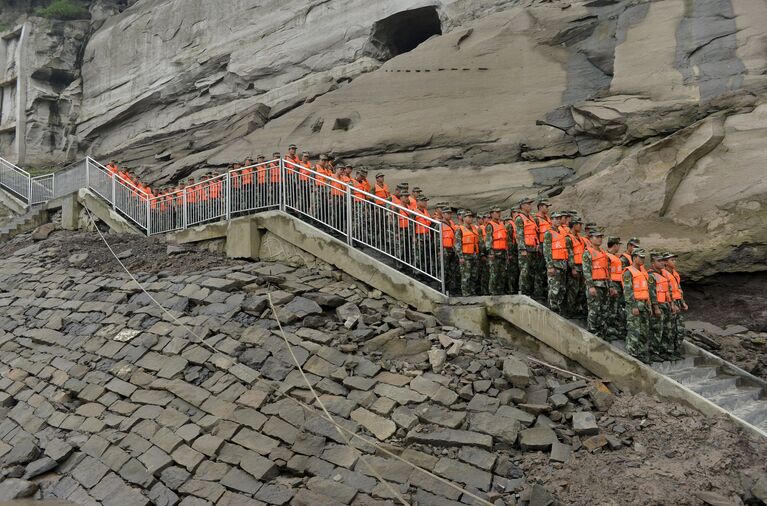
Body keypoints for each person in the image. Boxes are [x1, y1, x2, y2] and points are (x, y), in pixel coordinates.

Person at [623, 249, 651, 363]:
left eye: (644, 257)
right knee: (634, 330)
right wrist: (633, 306)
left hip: (644, 305)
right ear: (634, 258)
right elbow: (628, 291)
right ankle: (632, 355)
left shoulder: (642, 272)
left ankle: (641, 353)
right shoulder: (628, 272)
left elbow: (646, 290)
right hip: (635, 305)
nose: (643, 259)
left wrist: (648, 304)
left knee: (644, 331)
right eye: (640, 257)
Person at [582, 230, 609, 338]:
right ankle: (593, 332)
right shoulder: (588, 252)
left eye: (600, 237)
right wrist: (591, 286)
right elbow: (586, 270)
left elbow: (607, 270)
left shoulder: (603, 252)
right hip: (595, 285)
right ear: (591, 238)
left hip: (604, 284)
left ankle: (602, 332)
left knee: (603, 310)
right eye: (597, 237)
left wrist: (610, 285)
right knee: (594, 310)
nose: (599, 239)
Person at [648, 251, 673, 361]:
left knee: (666, 329)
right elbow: (651, 293)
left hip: (665, 304)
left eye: (663, 261)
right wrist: (656, 307)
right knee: (657, 330)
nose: (662, 263)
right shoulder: (651, 276)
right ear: (653, 263)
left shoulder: (663, 274)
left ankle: (664, 351)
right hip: (658, 305)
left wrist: (671, 304)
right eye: (659, 261)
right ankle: (654, 352)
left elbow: (668, 291)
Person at [664, 252, 687, 359]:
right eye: (671, 260)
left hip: (677, 301)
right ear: (666, 262)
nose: (674, 262)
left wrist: (682, 302)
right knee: (670, 328)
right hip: (669, 303)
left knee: (680, 329)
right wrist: (672, 304)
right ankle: (669, 351)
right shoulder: (663, 274)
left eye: (674, 260)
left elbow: (679, 289)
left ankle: (676, 350)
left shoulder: (675, 273)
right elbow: (666, 291)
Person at [543, 212, 568, 313]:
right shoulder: (548, 233)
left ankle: (559, 308)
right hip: (554, 264)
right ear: (551, 220)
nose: (558, 220)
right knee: (554, 288)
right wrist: (549, 266)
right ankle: (552, 308)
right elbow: (546, 250)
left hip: (562, 264)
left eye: (559, 218)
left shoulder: (561, 232)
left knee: (562, 288)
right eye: (556, 219)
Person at [515, 198, 539, 296]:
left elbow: (534, 233)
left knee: (532, 271)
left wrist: (537, 244)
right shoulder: (519, 218)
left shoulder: (531, 218)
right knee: (524, 271)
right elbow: (519, 235)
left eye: (530, 204)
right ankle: (522, 292)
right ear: (523, 206)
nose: (530, 206)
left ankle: (530, 292)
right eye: (528, 204)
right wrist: (522, 249)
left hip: (533, 248)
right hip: (525, 249)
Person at [454, 211, 480, 296]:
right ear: (464, 218)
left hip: (474, 256)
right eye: (468, 217)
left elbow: (478, 242)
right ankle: (465, 293)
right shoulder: (460, 229)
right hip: (465, 256)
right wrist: (460, 256)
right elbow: (457, 244)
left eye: (471, 217)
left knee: (474, 275)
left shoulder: (474, 228)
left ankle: (472, 291)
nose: (470, 218)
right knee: (466, 276)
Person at [565, 217, 587, 317]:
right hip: (574, 267)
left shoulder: (579, 238)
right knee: (573, 290)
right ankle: (570, 311)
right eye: (579, 224)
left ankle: (577, 309)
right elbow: (569, 254)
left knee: (581, 290)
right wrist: (573, 267)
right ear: (574, 225)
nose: (581, 226)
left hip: (581, 267)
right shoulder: (568, 238)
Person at [485, 206, 509, 295]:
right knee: (494, 273)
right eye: (496, 212)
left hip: (502, 252)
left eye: (499, 212)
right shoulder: (490, 225)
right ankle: (492, 292)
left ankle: (500, 291)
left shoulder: (502, 224)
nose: (499, 213)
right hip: (494, 253)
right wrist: (490, 252)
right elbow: (488, 240)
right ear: (491, 214)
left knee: (502, 273)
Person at [604, 236, 624, 341]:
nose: (619, 247)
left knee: (616, 308)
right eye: (618, 244)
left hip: (617, 285)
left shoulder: (614, 256)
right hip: (612, 285)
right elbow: (607, 273)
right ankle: (607, 330)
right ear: (615, 245)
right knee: (610, 308)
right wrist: (611, 287)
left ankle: (613, 329)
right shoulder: (607, 256)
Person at [439, 206, 460, 295]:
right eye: (447, 213)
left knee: (452, 269)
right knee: (444, 269)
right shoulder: (439, 224)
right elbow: (437, 238)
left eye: (450, 213)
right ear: (443, 214)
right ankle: (442, 287)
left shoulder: (451, 223)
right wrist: (438, 249)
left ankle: (451, 288)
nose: (449, 215)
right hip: (444, 248)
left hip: (452, 248)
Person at [534, 199, 552, 299]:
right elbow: (534, 233)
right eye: (546, 206)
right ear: (540, 207)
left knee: (545, 269)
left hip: (547, 245)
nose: (547, 208)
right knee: (539, 269)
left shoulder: (547, 219)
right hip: (540, 245)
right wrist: (537, 245)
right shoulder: (536, 219)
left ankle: (544, 291)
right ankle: (538, 292)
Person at [506, 206, 520, 295]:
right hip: (513, 252)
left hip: (518, 251)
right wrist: (510, 253)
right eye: (515, 212)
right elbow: (509, 240)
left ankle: (516, 289)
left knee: (518, 272)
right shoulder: (510, 225)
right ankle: (511, 290)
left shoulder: (518, 223)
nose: (517, 214)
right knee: (512, 272)